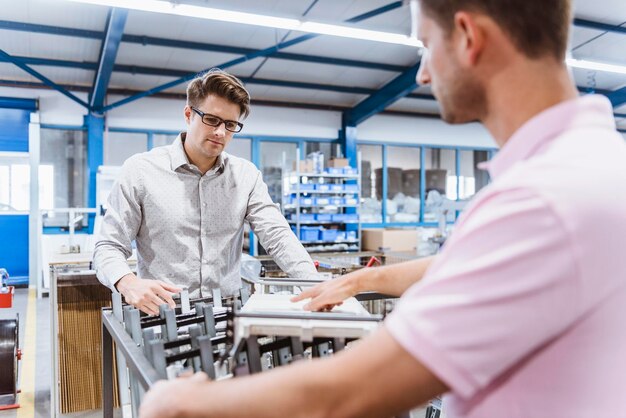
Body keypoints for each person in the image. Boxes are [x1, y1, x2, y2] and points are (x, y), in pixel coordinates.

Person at [139, 0, 626, 416]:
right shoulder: (591, 166)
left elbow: (346, 395)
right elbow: (480, 263)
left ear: (467, 35)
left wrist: (190, 404)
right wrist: (359, 279)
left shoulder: (541, 201)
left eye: (426, 45)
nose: (423, 72)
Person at [94, 69, 318, 315]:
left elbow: (278, 236)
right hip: (162, 316)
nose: (221, 132)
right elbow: (108, 245)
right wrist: (127, 282)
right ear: (189, 114)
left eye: (230, 125)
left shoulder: (246, 176)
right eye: (212, 120)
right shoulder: (140, 170)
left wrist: (319, 287)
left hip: (228, 317)